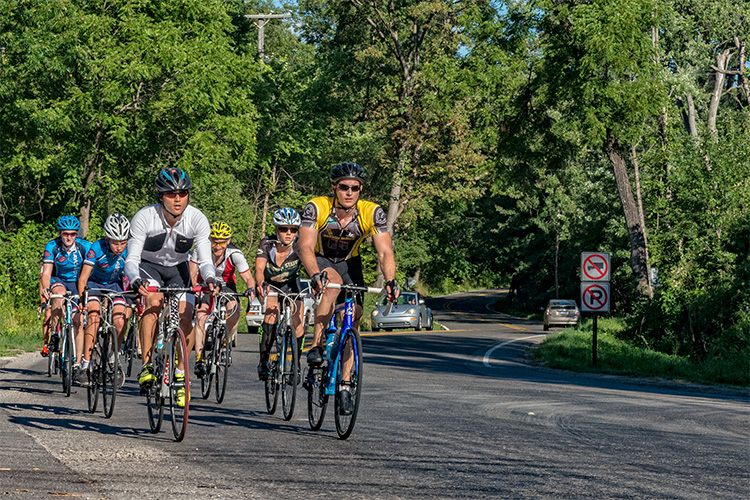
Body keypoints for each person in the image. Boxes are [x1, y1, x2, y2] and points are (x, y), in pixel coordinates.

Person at [298, 162, 399, 414]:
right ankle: (317, 345)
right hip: (321, 259)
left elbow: (385, 251)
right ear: (334, 188)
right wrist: (315, 274)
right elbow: (305, 247)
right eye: (343, 187)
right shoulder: (317, 206)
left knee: (352, 319)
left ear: (360, 189)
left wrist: (390, 281)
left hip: (350, 263)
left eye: (355, 187)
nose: (349, 192)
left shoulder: (371, 212)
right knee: (332, 287)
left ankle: (344, 384)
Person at [124, 167, 220, 407]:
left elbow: (206, 260)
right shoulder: (145, 217)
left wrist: (210, 278)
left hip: (179, 269)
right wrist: (135, 279)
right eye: (171, 194)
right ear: (160, 195)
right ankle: (146, 365)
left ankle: (179, 372)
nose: (177, 199)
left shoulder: (196, 219)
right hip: (149, 267)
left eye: (183, 193)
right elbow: (132, 260)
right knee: (153, 302)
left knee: (186, 315)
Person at [189, 221, 255, 378]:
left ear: (228, 241)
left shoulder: (235, 254)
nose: (217, 246)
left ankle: (226, 343)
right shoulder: (200, 250)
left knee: (234, 309)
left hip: (226, 286)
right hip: (205, 284)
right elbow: (192, 273)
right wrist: (195, 287)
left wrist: (250, 288)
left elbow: (247, 277)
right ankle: (199, 359)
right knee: (200, 317)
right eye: (214, 241)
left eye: (222, 242)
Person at [77, 214, 131, 386]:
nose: (119, 247)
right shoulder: (96, 248)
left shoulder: (129, 249)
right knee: (93, 317)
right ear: (107, 238)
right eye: (115, 242)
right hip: (94, 285)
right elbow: (83, 277)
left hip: (115, 285)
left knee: (120, 321)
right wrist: (81, 299)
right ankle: (86, 364)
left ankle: (114, 357)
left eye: (123, 242)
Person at [254, 208, 305, 380]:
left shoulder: (300, 244)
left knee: (298, 322)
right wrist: (260, 283)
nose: (289, 233)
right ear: (276, 230)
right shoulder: (267, 244)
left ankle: (296, 365)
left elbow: (312, 264)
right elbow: (259, 268)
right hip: (271, 285)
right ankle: (264, 360)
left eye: (293, 229)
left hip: (292, 285)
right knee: (271, 315)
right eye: (284, 229)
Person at [40, 215, 91, 385]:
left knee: (78, 322)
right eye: (65, 234)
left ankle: (77, 365)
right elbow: (46, 273)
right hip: (59, 280)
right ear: (60, 233)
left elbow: (91, 271)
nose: (69, 237)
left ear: (77, 234)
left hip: (78, 282)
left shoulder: (85, 247)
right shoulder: (52, 246)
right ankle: (55, 333)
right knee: (59, 296)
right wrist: (46, 289)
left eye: (73, 234)